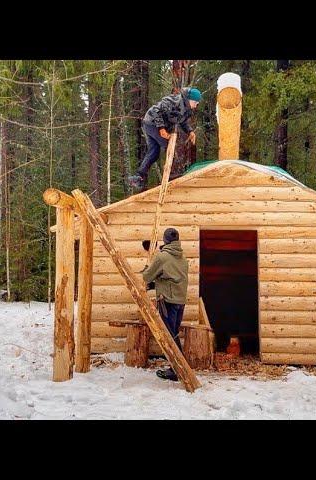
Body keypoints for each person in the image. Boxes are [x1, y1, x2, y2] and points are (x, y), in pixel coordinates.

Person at [128, 87, 201, 190]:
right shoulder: (173, 101)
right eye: (195, 102)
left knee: (154, 152)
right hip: (151, 123)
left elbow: (183, 122)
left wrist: (190, 131)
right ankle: (172, 175)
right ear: (188, 99)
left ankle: (138, 177)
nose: (196, 105)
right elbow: (156, 111)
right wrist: (161, 129)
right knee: (170, 146)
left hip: (157, 125)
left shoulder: (187, 110)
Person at [141, 227, 189, 381]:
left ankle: (177, 370)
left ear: (165, 240)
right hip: (180, 301)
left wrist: (148, 270)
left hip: (167, 301)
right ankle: (178, 367)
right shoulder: (183, 258)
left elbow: (147, 277)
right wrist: (158, 283)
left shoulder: (162, 257)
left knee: (170, 336)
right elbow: (173, 279)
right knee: (173, 333)